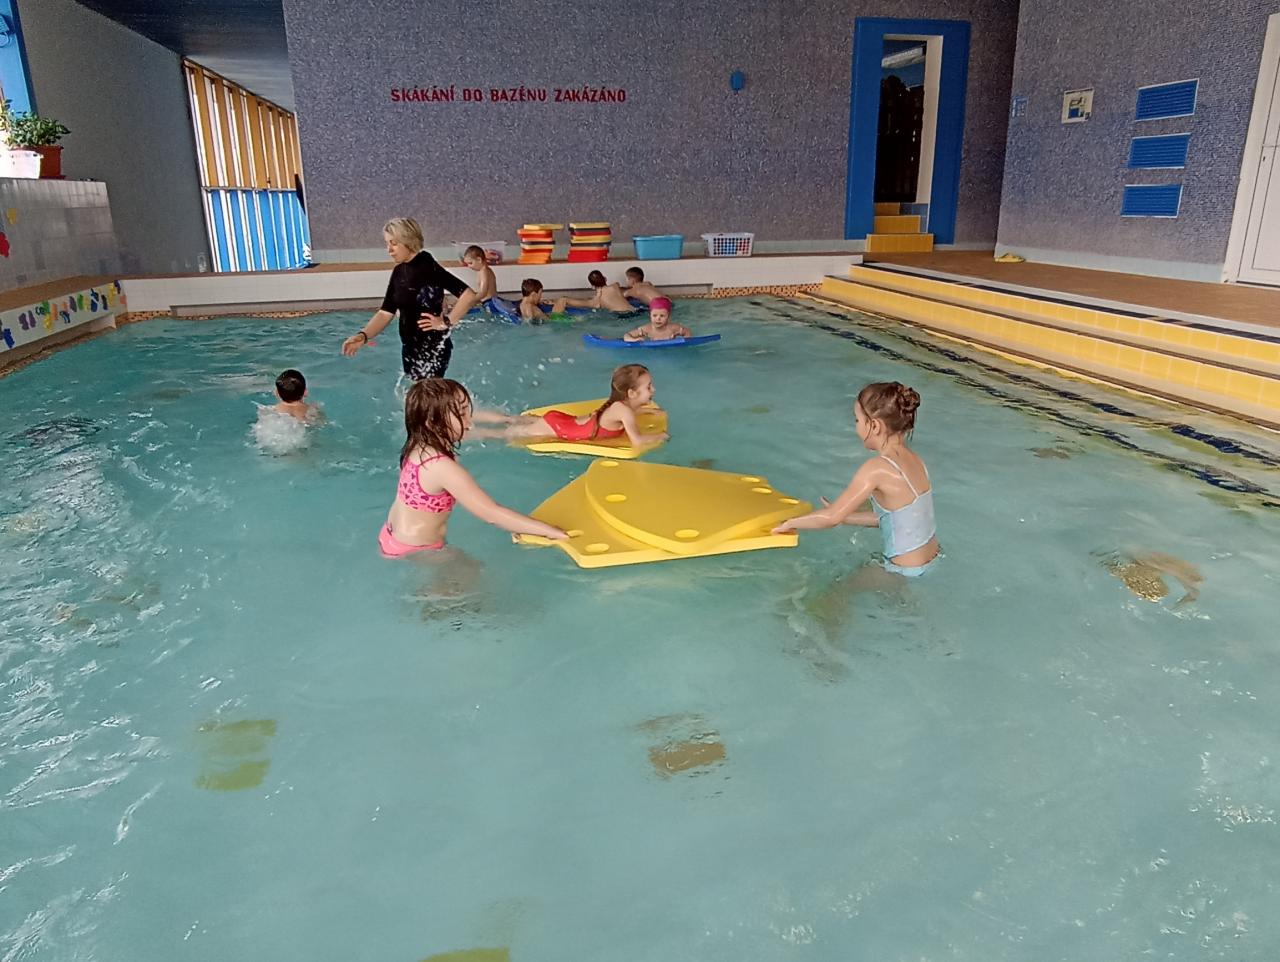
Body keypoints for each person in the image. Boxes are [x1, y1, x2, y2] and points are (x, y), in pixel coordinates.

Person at [380, 378, 568, 557]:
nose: (469, 421)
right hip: (418, 549)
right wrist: (549, 531)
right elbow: (492, 514)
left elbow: (479, 430)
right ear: (433, 422)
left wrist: (513, 422)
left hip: (392, 533)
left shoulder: (419, 444)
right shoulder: (442, 467)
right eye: (461, 414)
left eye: (466, 410)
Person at [773, 382, 938, 576]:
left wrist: (789, 523)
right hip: (932, 559)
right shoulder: (916, 461)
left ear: (874, 426)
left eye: (857, 420)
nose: (856, 427)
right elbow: (893, 519)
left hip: (902, 569)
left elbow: (831, 518)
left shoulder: (877, 469)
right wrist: (847, 517)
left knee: (834, 591)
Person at [341, 218, 479, 381]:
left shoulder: (428, 267)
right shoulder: (399, 272)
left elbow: (468, 295)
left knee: (427, 394)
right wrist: (363, 336)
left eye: (394, 243)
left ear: (408, 241)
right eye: (387, 243)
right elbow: (386, 312)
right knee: (416, 393)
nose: (389, 250)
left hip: (432, 348)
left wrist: (446, 322)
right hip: (410, 348)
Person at [473, 363, 668, 448]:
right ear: (632, 393)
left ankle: (473, 414)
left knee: (512, 419)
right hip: (558, 429)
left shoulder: (621, 405)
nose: (653, 390)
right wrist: (661, 436)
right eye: (648, 387)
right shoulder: (624, 411)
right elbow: (637, 441)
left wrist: (646, 411)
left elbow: (631, 411)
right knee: (504, 434)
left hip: (562, 421)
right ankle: (468, 433)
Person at [566, 270, 637, 313]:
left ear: (592, 286)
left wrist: (598, 295)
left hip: (620, 316)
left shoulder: (597, 300)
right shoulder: (615, 286)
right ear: (605, 278)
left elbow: (596, 305)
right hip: (633, 311)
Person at [623, 296, 690, 342]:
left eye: (662, 316)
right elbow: (627, 335)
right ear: (650, 315)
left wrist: (686, 341)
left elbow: (687, 332)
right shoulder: (646, 329)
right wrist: (633, 340)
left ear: (668, 316)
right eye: (654, 315)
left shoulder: (673, 328)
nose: (658, 319)